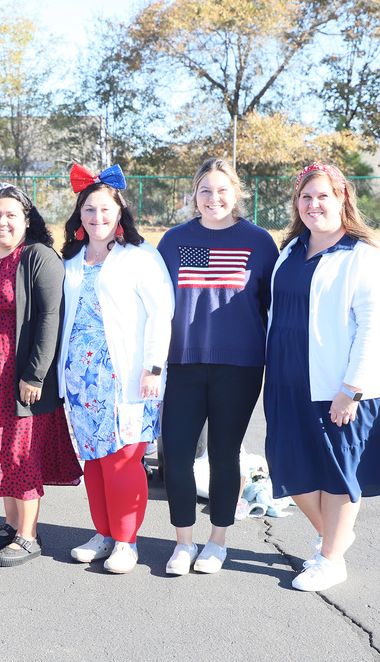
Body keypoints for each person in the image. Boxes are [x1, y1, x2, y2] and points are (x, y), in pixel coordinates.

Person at [265, 162, 380, 592]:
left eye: (323, 196)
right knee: (288, 465)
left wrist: (351, 389)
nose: (313, 205)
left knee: (336, 472)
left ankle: (331, 559)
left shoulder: (366, 254)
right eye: (306, 197)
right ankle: (336, 537)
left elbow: (374, 326)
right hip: (287, 380)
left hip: (339, 384)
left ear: (342, 198)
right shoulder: (290, 250)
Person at [156, 157, 280, 575]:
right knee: (175, 456)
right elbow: (157, 307)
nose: (214, 198)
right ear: (194, 194)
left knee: (225, 456)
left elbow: (272, 307)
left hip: (239, 366)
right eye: (205, 190)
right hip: (184, 363)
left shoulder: (260, 242)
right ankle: (184, 543)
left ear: (237, 193)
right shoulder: (173, 241)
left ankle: (217, 541)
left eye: (222, 190)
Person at [58, 164, 174, 574]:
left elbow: (162, 312)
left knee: (123, 457)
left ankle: (127, 541)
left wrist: (153, 368)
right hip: (78, 379)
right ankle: (103, 533)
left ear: (120, 212)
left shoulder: (141, 257)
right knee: (93, 458)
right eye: (89, 209)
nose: (97, 217)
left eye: (105, 209)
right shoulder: (71, 259)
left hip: (126, 377)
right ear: (79, 214)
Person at [0, 185, 82, 567]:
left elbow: (50, 318)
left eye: (12, 215)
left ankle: (29, 536)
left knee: (20, 452)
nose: (3, 221)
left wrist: (35, 375)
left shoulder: (38, 257)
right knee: (2, 448)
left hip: (22, 377)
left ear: (27, 220)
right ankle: (12, 524)